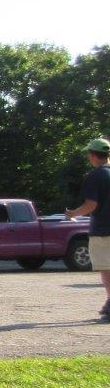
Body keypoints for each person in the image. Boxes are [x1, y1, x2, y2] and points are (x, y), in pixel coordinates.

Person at [64, 137, 110, 322]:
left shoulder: (96, 176)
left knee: (106, 268)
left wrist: (73, 213)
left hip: (103, 230)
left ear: (92, 155)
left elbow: (91, 205)